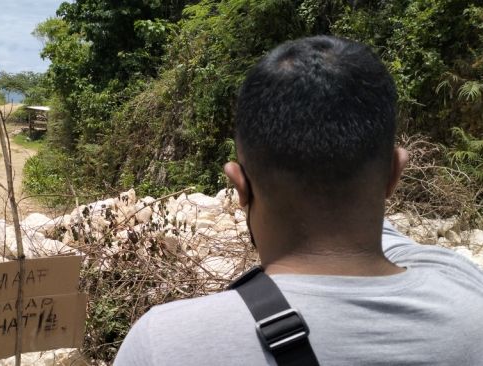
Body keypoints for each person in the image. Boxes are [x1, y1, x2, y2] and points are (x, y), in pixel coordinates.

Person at [114, 36, 483, 365]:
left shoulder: (165, 343)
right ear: (394, 175)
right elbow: (402, 247)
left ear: (239, 187)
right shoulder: (469, 304)